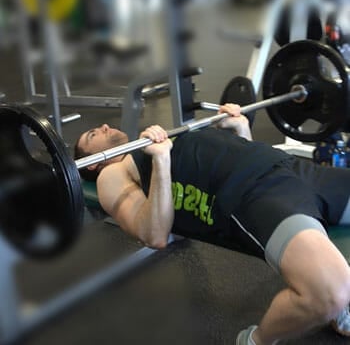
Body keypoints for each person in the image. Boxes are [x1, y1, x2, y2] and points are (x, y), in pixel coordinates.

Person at [74, 104, 350, 345]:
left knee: (335, 289)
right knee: (330, 292)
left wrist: (240, 129)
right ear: (92, 164)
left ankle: (337, 306)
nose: (104, 125)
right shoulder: (112, 173)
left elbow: (239, 157)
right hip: (255, 194)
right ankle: (255, 340)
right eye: (93, 135)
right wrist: (161, 160)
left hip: (286, 167)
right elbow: (154, 234)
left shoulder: (152, 139)